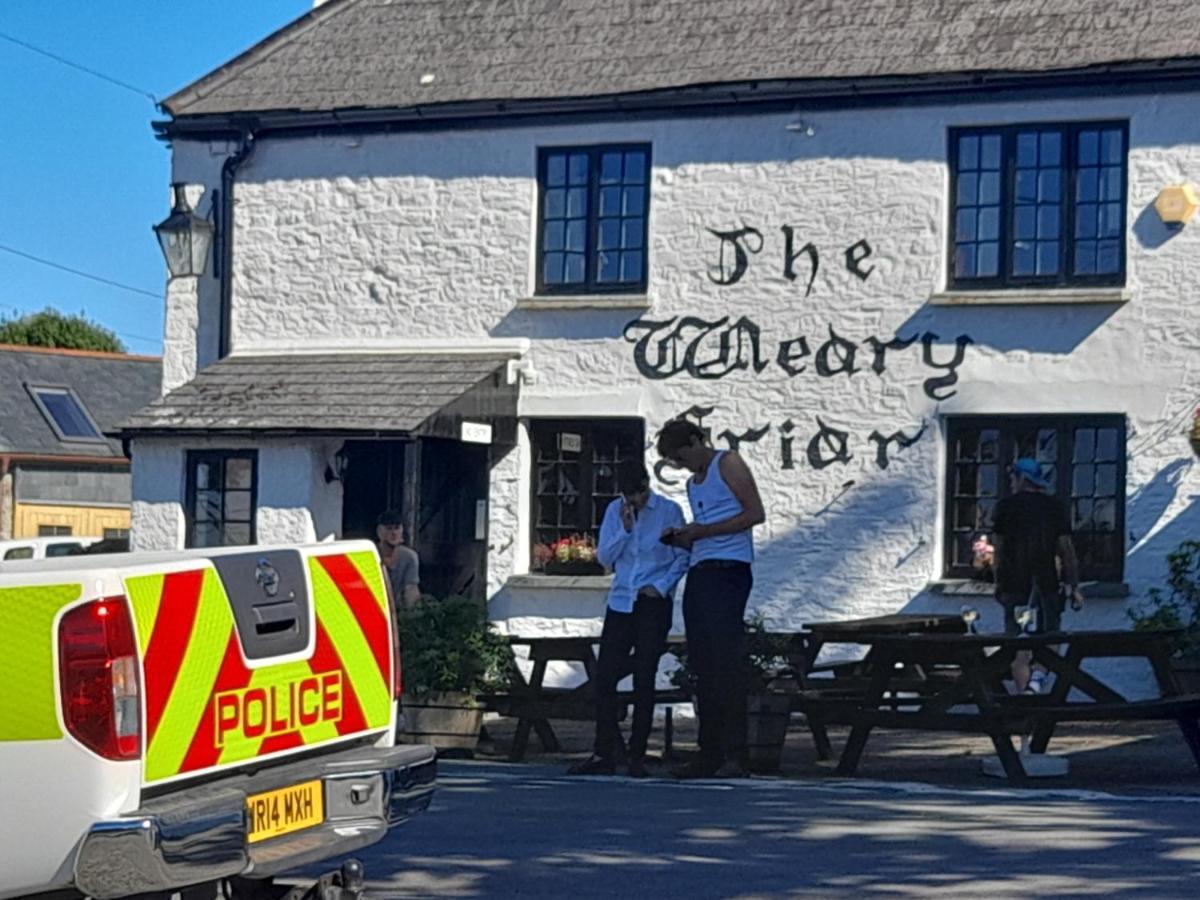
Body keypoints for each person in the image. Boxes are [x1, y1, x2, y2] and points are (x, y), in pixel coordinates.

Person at [656, 419, 765, 779]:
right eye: (674, 460)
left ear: (695, 440)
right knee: (702, 663)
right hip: (702, 569)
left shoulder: (727, 463)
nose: (682, 464)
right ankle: (709, 750)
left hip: (730, 568)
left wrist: (705, 532)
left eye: (681, 455)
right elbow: (704, 525)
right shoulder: (692, 484)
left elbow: (754, 513)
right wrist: (685, 536)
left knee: (725, 661)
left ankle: (736, 752)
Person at [568, 462, 690, 778]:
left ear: (647, 486)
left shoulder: (669, 511)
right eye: (630, 495)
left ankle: (637, 754)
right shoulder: (615, 512)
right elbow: (605, 559)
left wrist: (660, 587)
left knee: (644, 678)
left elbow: (682, 558)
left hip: (651, 604)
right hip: (621, 601)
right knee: (606, 677)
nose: (635, 501)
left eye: (640, 494)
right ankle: (604, 752)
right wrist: (624, 529)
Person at [991, 457, 1085, 693]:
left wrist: (998, 584)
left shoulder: (1005, 507)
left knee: (1018, 645)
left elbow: (999, 551)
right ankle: (1038, 680)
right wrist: (1073, 585)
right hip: (1047, 583)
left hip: (1014, 585)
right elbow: (1066, 550)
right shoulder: (1055, 507)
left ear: (1022, 478)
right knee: (1051, 639)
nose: (1011, 482)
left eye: (1013, 477)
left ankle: (1026, 701)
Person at [376, 509, 421, 609]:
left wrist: (415, 614)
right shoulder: (371, 555)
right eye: (389, 528)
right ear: (379, 531)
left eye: (397, 528)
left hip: (398, 611)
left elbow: (411, 588)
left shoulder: (409, 557)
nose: (394, 533)